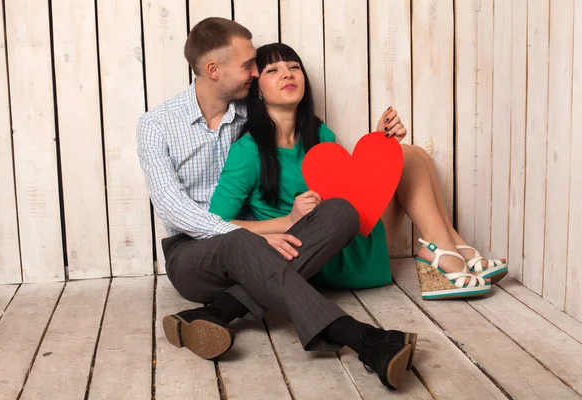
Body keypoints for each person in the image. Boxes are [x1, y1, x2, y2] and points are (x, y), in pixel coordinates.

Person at [137, 17, 416, 390]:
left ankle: (221, 312)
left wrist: (381, 141)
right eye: (249, 65)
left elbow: (320, 162)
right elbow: (173, 208)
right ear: (213, 70)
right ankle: (364, 338)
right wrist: (269, 230)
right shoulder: (156, 125)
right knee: (238, 241)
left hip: (257, 255)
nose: (255, 72)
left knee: (343, 212)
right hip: (193, 254)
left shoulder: (249, 118)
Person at [208, 42, 508, 301]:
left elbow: (349, 189)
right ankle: (448, 258)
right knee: (404, 156)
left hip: (351, 240)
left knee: (409, 155)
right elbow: (215, 223)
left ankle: (453, 249)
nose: (287, 73)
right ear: (258, 91)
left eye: (294, 67)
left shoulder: (318, 132)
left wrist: (381, 147)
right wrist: (287, 221)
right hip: (318, 257)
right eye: (273, 70)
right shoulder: (248, 151)